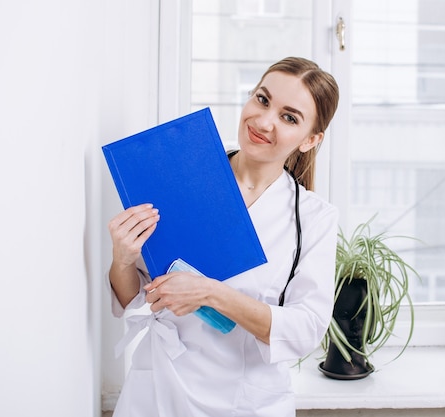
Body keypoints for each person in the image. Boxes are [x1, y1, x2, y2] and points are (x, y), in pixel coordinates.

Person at [107, 57, 340, 417]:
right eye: (262, 100)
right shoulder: (183, 174)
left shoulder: (314, 218)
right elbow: (134, 296)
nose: (263, 122)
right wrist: (122, 258)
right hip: (157, 387)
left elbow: (306, 329)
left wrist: (211, 293)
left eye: (288, 117)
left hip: (245, 403)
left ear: (311, 139)